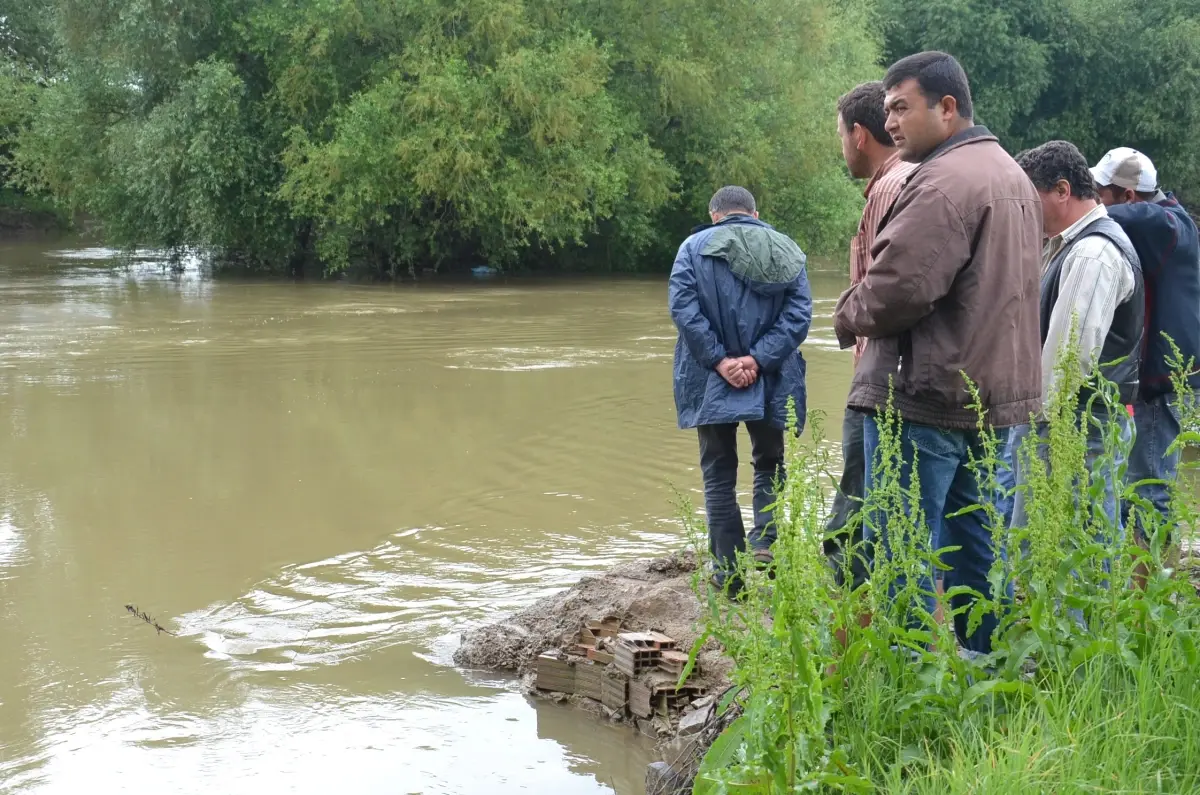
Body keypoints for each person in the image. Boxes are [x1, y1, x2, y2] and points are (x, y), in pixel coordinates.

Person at [832, 51, 1043, 654]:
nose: (890, 123)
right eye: (886, 110)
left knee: (902, 546)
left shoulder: (943, 181)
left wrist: (845, 314)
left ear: (947, 108)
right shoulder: (1010, 175)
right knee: (975, 544)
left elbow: (897, 290)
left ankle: (911, 681)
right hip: (987, 398)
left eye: (901, 108)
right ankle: (984, 667)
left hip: (924, 396)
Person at [669, 186, 812, 595]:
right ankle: (766, 542)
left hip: (710, 378)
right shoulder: (786, 248)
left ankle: (728, 576)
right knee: (770, 461)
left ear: (714, 215)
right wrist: (758, 359)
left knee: (718, 473)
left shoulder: (692, 249)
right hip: (771, 375)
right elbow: (799, 314)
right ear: (755, 214)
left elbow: (683, 310)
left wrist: (720, 361)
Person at [1010, 140, 1142, 542]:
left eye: (1030, 199)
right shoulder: (1068, 245)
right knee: (1063, 544)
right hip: (1075, 423)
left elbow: (1069, 357)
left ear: (1062, 191)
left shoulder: (1092, 254)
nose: (1025, 211)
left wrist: (1034, 424)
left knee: (1067, 547)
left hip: (1076, 428)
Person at [828, 81, 917, 587]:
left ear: (859, 135)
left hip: (883, 375)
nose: (842, 146)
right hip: (905, 375)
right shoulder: (914, 178)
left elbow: (888, 288)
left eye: (841, 135)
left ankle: (854, 602)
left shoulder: (889, 187)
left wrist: (845, 321)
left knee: (860, 496)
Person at [1091, 147, 1200, 546]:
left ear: (1128, 195)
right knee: (1132, 487)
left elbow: (1145, 217)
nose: (1096, 200)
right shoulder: (1163, 224)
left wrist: (1080, 211)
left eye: (1099, 193)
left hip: (1162, 382)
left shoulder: (1171, 225)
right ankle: (1139, 575)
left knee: (1149, 491)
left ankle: (1150, 582)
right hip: (1154, 380)